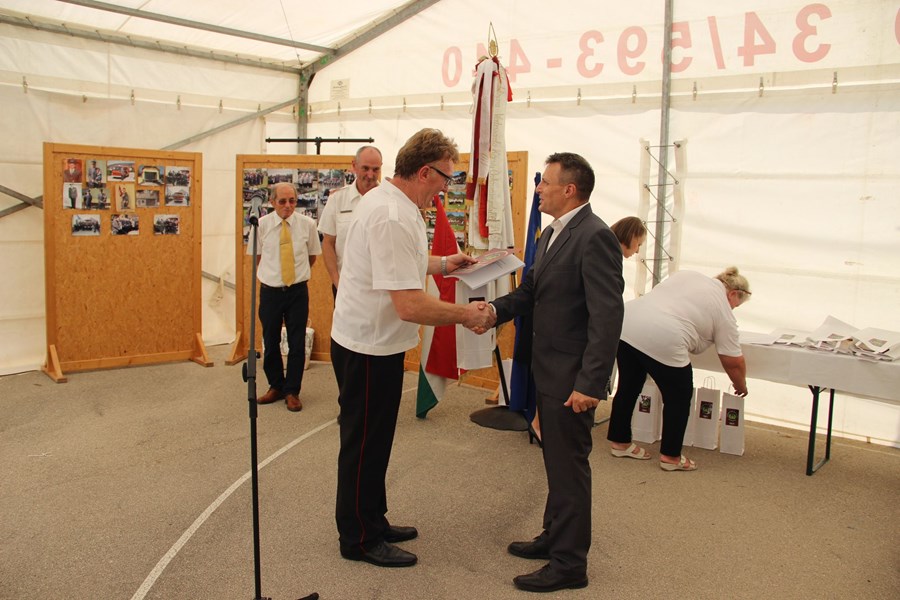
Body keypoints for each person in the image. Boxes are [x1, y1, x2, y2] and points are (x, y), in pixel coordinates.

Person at [330, 128, 493, 569]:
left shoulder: (392, 203)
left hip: (373, 342)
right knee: (364, 444)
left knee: (376, 439)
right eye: (445, 178)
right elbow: (409, 305)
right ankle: (359, 539)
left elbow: (400, 264)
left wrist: (443, 263)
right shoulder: (392, 215)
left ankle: (372, 519)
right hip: (368, 346)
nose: (446, 188)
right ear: (424, 172)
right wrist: (466, 314)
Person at [489, 152, 624, 593]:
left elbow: (607, 317)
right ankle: (554, 535)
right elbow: (530, 292)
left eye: (544, 182)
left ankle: (569, 564)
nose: (538, 189)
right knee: (555, 463)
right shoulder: (550, 233)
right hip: (547, 369)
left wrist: (590, 383)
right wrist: (492, 311)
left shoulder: (596, 236)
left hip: (572, 378)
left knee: (569, 469)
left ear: (569, 189)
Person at [607, 267, 751, 471]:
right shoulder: (723, 310)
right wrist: (740, 384)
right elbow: (733, 361)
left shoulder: (689, 274)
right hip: (665, 335)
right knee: (679, 397)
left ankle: (620, 443)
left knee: (629, 386)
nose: (733, 309)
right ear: (733, 293)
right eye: (736, 305)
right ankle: (671, 456)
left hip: (627, 322)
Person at [249, 182, 322, 412]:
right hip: (270, 291)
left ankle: (292, 391)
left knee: (296, 342)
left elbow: (312, 256)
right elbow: (258, 257)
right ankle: (276, 386)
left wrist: (295, 275)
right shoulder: (260, 225)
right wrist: (274, 276)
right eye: (282, 201)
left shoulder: (308, 224)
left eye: (292, 201)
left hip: (297, 291)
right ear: (272, 202)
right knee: (270, 341)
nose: (288, 206)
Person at [318, 145, 383, 294]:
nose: (370, 175)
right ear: (354, 166)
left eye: (375, 169)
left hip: (380, 290)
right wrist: (337, 281)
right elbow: (328, 243)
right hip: (346, 286)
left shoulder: (389, 200)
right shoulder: (337, 199)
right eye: (365, 168)